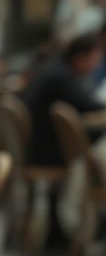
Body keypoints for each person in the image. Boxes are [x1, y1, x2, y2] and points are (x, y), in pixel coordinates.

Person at [22, 31, 104, 166]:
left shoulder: (54, 69)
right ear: (80, 57)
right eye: (94, 60)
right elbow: (86, 105)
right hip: (47, 149)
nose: (96, 66)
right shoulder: (61, 77)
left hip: (36, 144)